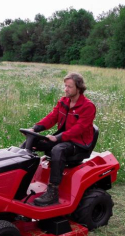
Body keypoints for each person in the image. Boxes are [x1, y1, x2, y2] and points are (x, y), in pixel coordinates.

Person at [29, 72, 96, 206]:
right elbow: (52, 117)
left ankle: (53, 192)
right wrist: (35, 129)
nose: (66, 89)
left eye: (69, 87)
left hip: (79, 143)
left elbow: (79, 128)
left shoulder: (88, 106)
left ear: (79, 88)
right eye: (65, 86)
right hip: (62, 138)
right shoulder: (63, 101)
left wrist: (57, 137)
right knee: (31, 142)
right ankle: (23, 180)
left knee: (58, 150)